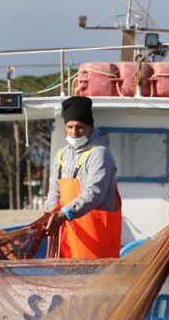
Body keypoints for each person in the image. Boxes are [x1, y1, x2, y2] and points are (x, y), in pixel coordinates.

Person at [44, 96, 122, 259]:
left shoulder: (100, 153)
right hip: (68, 234)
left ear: (90, 126)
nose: (74, 132)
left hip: (95, 237)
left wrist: (65, 214)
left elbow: (94, 192)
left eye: (80, 127)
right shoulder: (61, 155)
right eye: (70, 127)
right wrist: (52, 210)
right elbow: (54, 189)